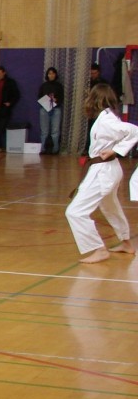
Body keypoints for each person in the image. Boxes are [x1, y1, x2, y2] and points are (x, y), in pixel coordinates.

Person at [65, 83, 137, 264]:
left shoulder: (106, 120)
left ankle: (98, 249)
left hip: (103, 170)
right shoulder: (107, 117)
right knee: (110, 206)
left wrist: (116, 150)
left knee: (75, 212)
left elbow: (135, 131)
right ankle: (126, 243)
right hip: (109, 169)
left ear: (95, 99)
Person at [0, 65, 20, 152]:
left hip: (4, 108)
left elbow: (16, 95)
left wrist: (10, 103)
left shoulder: (10, 82)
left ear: (4, 73)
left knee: (1, 128)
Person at [37, 67, 64, 155]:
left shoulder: (59, 86)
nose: (51, 75)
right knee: (44, 130)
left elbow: (61, 98)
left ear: (55, 75)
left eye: (53, 73)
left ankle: (55, 149)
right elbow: (39, 97)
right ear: (47, 75)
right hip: (44, 109)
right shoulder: (44, 86)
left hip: (56, 109)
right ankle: (43, 149)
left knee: (55, 130)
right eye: (49, 73)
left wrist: (56, 100)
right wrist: (46, 101)